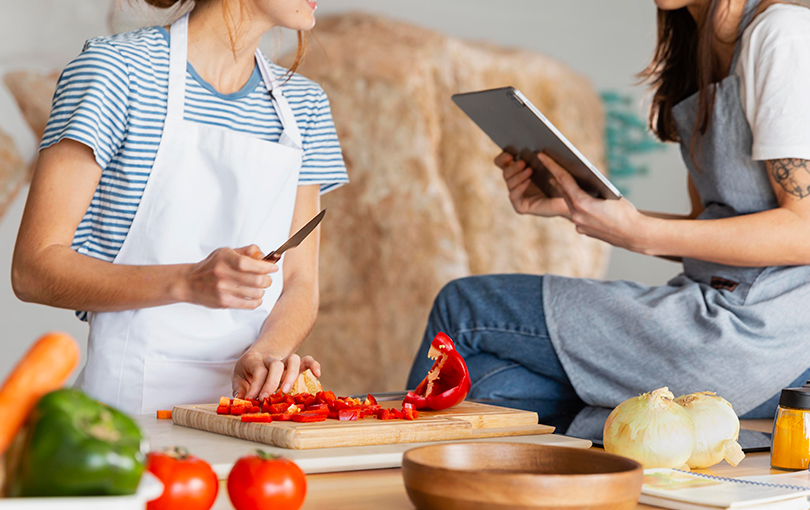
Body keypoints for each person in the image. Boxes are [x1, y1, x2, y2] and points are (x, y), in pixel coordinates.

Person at [408, 0, 810, 420]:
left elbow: (804, 230)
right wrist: (586, 211)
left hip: (751, 337)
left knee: (465, 308)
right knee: (491, 387)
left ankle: (388, 473)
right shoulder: (698, 54)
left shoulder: (781, 33)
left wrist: (639, 232)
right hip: (713, 316)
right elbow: (712, 231)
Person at [11, 0, 347, 414]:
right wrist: (187, 282)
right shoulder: (116, 71)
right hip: (125, 418)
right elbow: (33, 270)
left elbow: (300, 283)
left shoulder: (304, 104)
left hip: (248, 412)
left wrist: (268, 354)